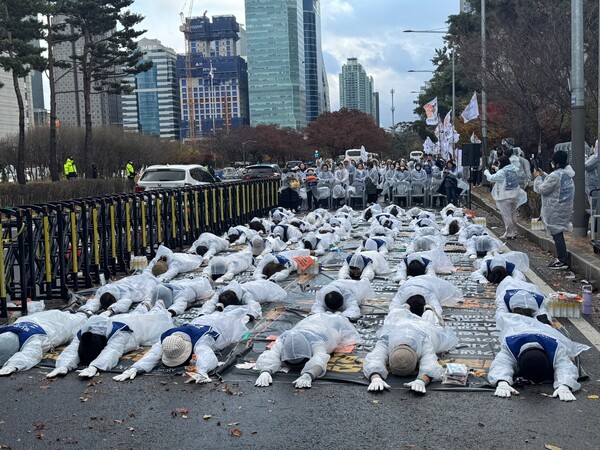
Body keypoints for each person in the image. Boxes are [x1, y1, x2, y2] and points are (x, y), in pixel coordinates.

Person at [113, 308, 249, 383]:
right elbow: (154, 354)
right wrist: (135, 368)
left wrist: (202, 370)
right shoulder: (168, 338)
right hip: (199, 320)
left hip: (221, 325)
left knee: (235, 315)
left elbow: (207, 355)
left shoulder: (201, 339)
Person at [46, 301, 173, 379]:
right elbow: (73, 348)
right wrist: (64, 365)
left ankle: (157, 305)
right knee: (135, 313)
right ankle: (144, 305)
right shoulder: (87, 332)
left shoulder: (120, 335)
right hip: (120, 318)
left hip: (136, 327)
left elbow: (112, 351)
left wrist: (95, 367)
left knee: (153, 316)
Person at [488, 313, 590, 401]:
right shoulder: (510, 346)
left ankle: (543, 322)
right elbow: (501, 364)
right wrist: (502, 382)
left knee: (545, 326)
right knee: (510, 322)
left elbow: (565, 366)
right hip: (517, 330)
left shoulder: (555, 348)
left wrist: (565, 385)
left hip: (545, 332)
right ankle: (541, 321)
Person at [254, 312, 361, 389]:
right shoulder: (284, 340)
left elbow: (320, 358)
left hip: (322, 327)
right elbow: (272, 355)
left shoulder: (316, 341)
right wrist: (265, 371)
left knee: (337, 328)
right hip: (307, 325)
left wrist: (309, 374)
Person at [363, 308, 458, 393]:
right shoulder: (387, 339)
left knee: (432, 319)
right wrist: (375, 378)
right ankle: (419, 310)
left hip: (426, 329)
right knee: (397, 312)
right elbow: (375, 358)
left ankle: (427, 310)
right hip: (402, 324)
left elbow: (430, 364)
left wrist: (375, 376)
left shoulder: (425, 341)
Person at [0, 310, 87, 376]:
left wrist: (13, 365)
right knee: (72, 318)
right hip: (43, 318)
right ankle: (78, 314)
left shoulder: (33, 338)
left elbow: (30, 354)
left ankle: (82, 314)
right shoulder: (6, 330)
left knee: (79, 320)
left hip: (56, 324)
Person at [533, 150, 575, 269]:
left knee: (557, 234)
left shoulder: (555, 175)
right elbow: (554, 182)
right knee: (558, 232)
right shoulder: (566, 173)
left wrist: (537, 178)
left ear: (556, 163)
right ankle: (562, 258)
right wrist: (543, 175)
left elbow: (542, 189)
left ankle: (562, 260)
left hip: (555, 208)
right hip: (564, 207)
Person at [79, 273, 160, 315]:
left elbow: (125, 302)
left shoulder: (124, 291)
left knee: (150, 284)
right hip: (126, 282)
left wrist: (111, 310)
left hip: (137, 284)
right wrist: (89, 309)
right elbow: (95, 300)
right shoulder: (102, 291)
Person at [484, 156, 524, 239]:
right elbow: (503, 174)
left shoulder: (502, 172)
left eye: (499, 163)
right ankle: (514, 231)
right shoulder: (514, 169)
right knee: (513, 215)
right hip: (514, 196)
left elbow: (492, 178)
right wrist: (496, 169)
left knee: (506, 216)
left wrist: (486, 172)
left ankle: (509, 233)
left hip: (504, 197)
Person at [200, 279, 287, 317]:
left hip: (274, 292)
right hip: (259, 284)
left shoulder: (246, 295)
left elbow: (254, 306)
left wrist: (250, 316)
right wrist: (203, 314)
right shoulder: (221, 291)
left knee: (273, 308)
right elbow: (211, 302)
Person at [389, 274, 463, 316]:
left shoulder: (428, 294)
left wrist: (429, 315)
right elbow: (393, 308)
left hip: (431, 283)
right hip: (409, 283)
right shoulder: (402, 294)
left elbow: (437, 309)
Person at [150, 276, 215, 317]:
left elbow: (180, 304)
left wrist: (170, 312)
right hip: (189, 283)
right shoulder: (160, 288)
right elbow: (153, 296)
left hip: (200, 285)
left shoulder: (180, 293)